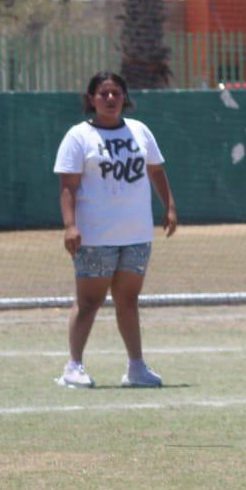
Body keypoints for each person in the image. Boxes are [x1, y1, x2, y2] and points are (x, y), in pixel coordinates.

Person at [53, 71, 176, 388]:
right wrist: (70, 226)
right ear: (91, 99)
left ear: (125, 98)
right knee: (89, 301)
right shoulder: (79, 136)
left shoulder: (139, 131)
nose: (110, 99)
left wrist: (170, 207)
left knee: (129, 300)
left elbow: (156, 170)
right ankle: (73, 366)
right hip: (95, 236)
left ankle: (136, 367)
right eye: (103, 93)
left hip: (136, 233)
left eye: (116, 93)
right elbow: (68, 186)